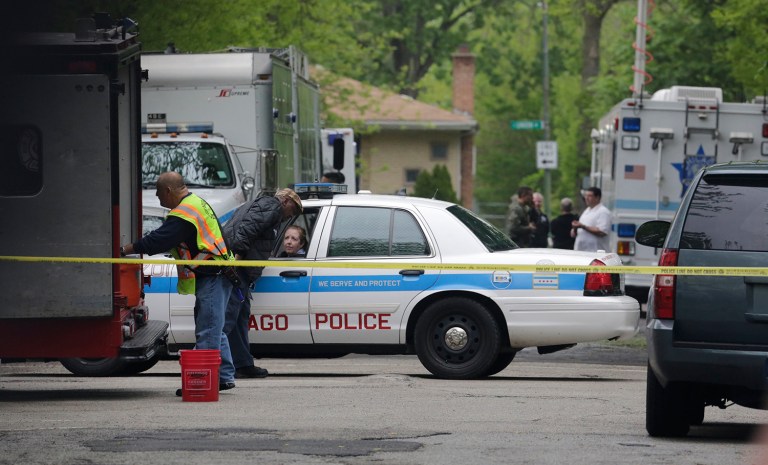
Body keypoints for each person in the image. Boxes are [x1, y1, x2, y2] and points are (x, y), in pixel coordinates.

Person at [119, 172, 236, 394]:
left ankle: (204, 380)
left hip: (214, 274)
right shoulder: (196, 203)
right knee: (214, 326)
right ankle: (223, 376)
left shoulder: (184, 213)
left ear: (168, 191)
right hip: (220, 272)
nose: (157, 197)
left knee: (208, 328)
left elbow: (158, 240)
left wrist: (126, 249)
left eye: (158, 192)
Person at [222, 188, 303, 379]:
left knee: (240, 317)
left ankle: (242, 364)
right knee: (227, 320)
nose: (292, 215)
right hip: (237, 269)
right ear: (284, 201)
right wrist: (235, 263)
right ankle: (215, 368)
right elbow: (246, 232)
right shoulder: (271, 207)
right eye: (293, 209)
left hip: (241, 271)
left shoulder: (262, 206)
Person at [571, 187, 612, 252]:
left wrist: (582, 226)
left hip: (596, 254)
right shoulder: (586, 211)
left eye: (589, 196)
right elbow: (575, 234)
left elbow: (602, 231)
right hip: (582, 252)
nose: (586, 198)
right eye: (585, 196)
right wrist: (575, 228)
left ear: (597, 197)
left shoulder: (603, 212)